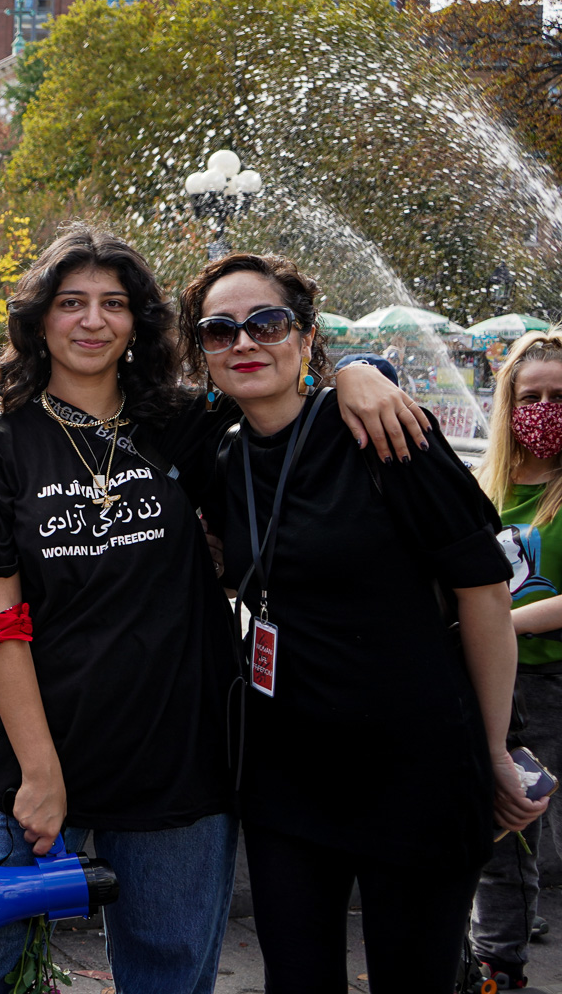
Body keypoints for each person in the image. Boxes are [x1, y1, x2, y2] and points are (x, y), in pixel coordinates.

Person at [0, 229, 431, 994]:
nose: (93, 321)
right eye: (71, 303)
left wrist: (355, 372)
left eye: (114, 304)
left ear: (137, 324)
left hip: (177, 759)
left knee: (168, 977)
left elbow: (275, 390)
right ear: (40, 321)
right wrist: (40, 771)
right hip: (26, 759)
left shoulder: (184, 425)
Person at [184, 252, 542, 992]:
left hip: (413, 766)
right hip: (287, 776)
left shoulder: (385, 431)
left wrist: (495, 747)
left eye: (267, 323)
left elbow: (483, 589)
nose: (245, 342)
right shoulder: (222, 457)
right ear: (204, 354)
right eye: (220, 331)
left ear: (308, 338)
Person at [464, 330, 562, 988]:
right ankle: (501, 953)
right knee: (499, 835)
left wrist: (498, 625)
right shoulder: (481, 482)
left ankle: (498, 962)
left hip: (551, 684)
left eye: (560, 396)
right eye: (532, 396)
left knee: (530, 832)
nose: (545, 407)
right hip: (487, 684)